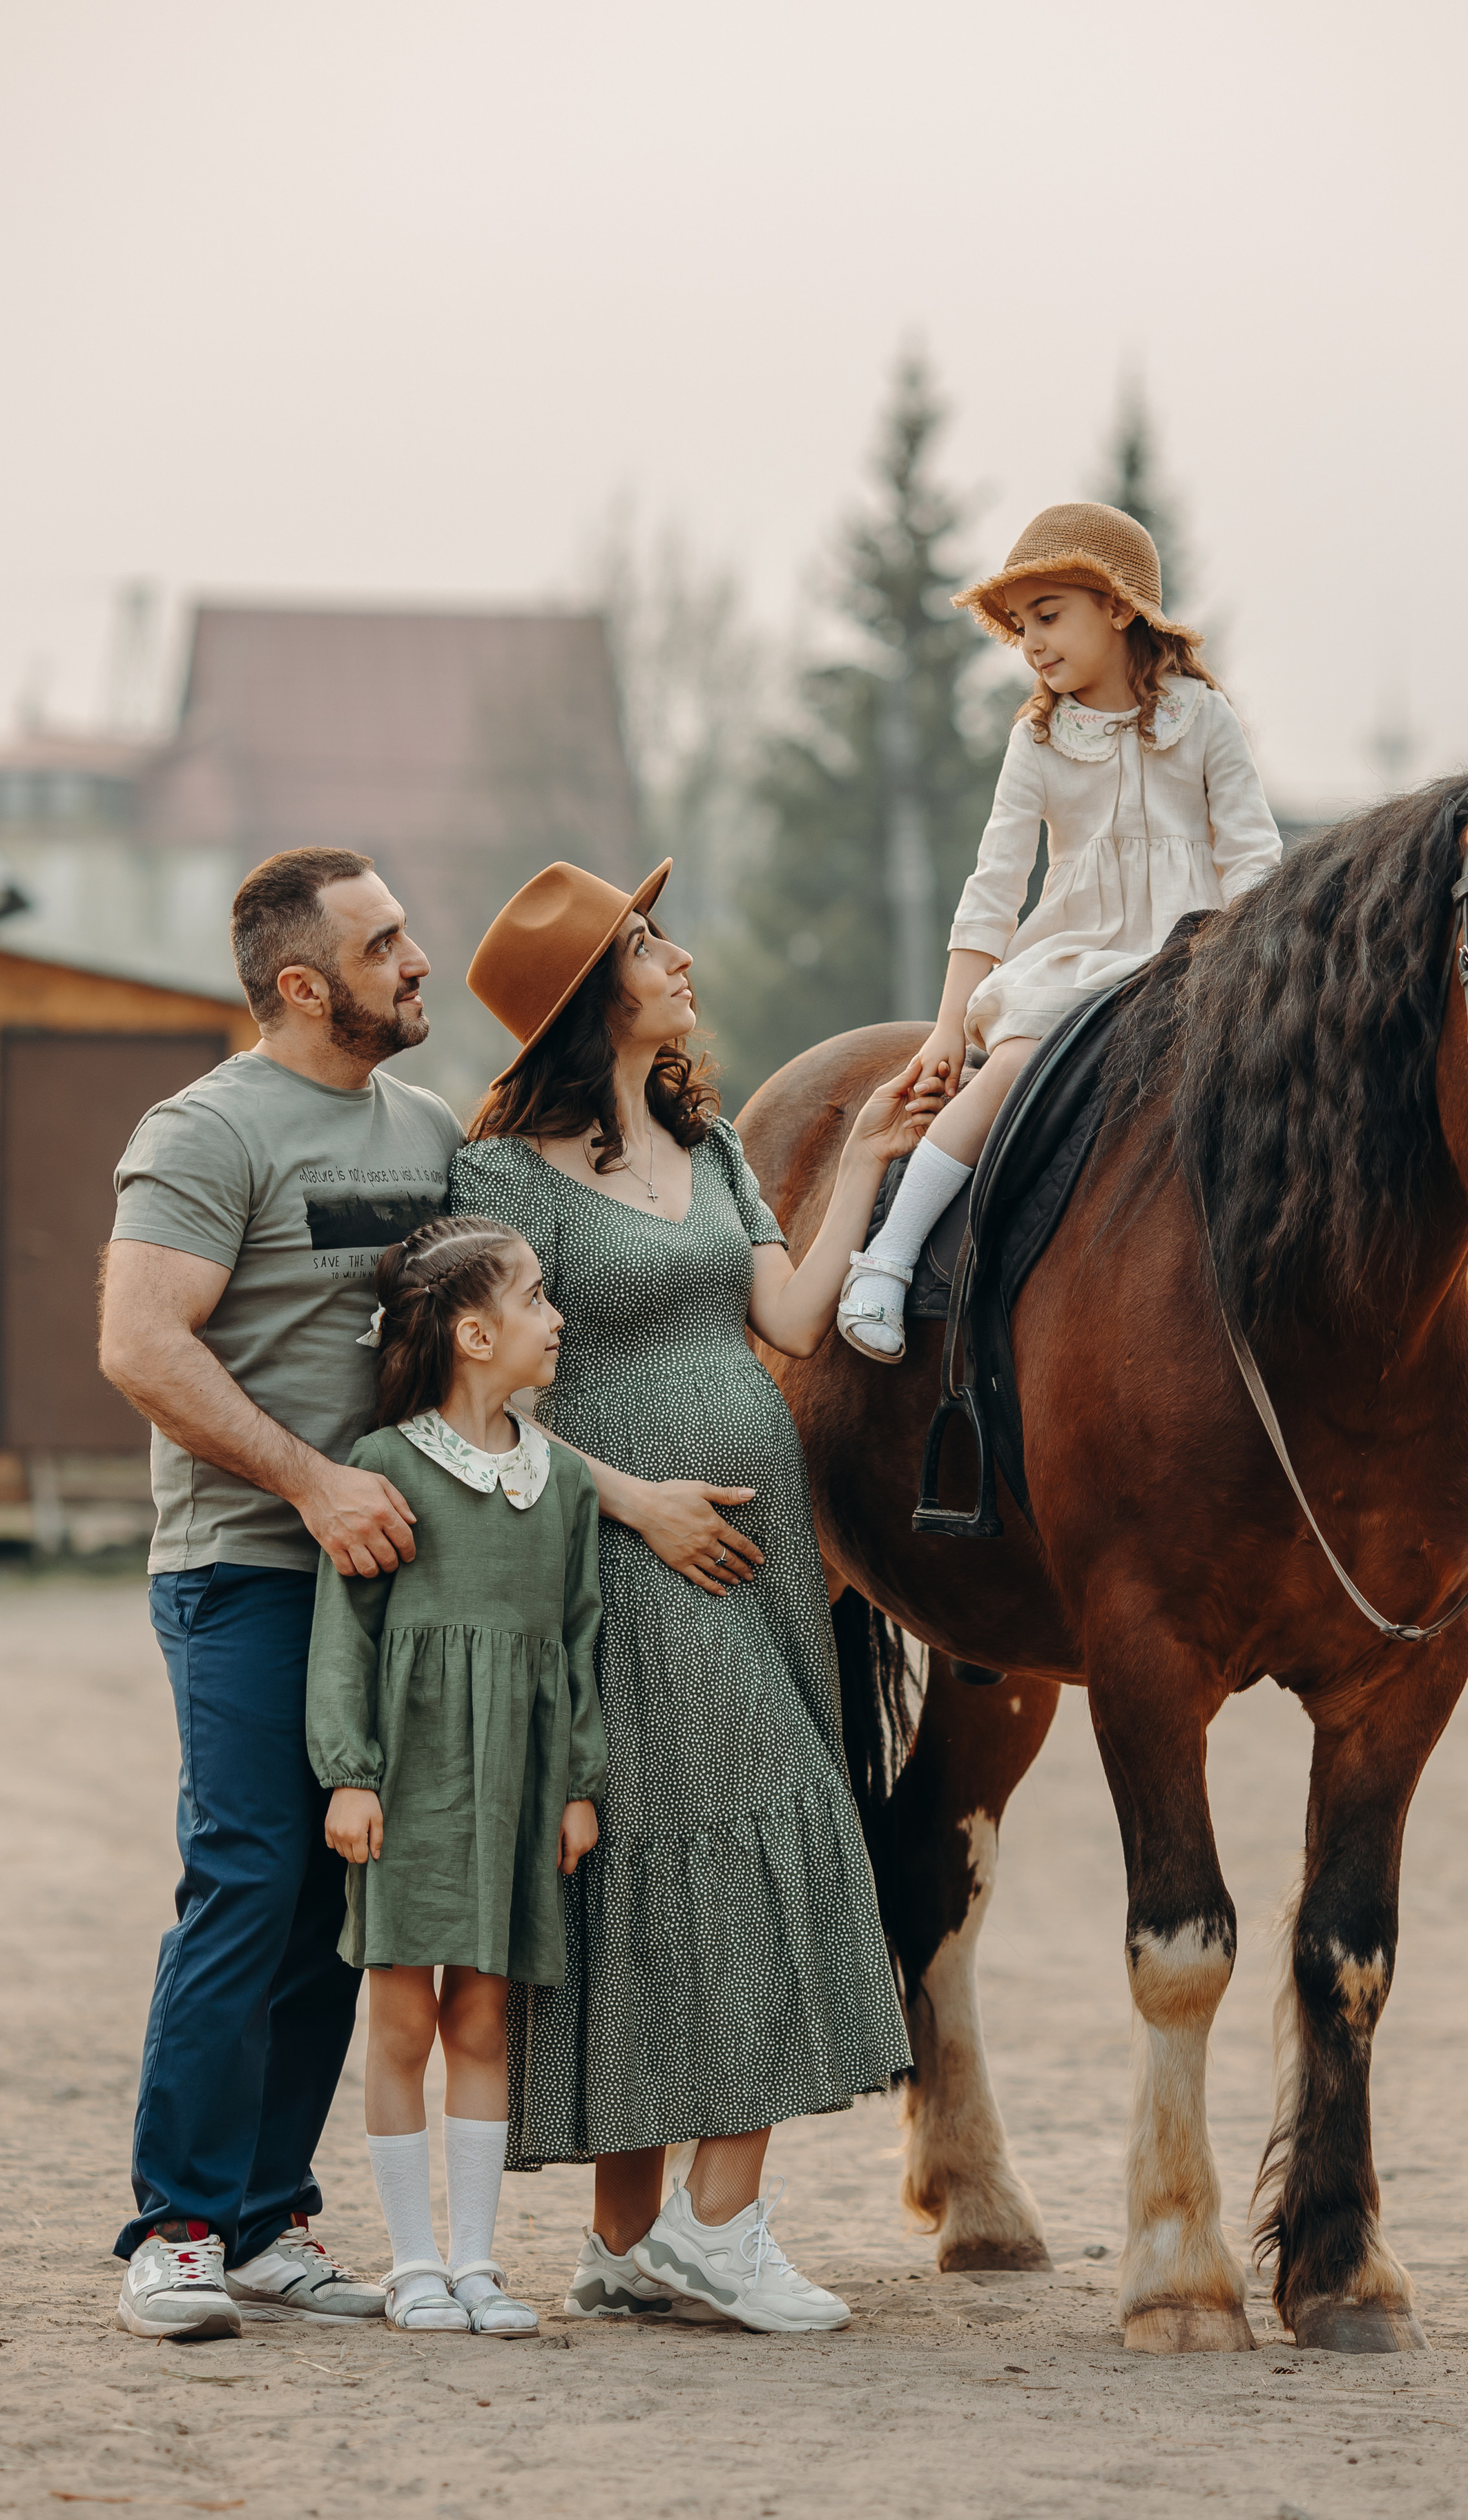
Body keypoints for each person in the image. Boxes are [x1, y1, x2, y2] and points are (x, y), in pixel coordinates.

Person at [447, 858, 925, 2336]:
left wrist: (859, 1172)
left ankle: (624, 2239)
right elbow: (466, 1405)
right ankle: (720, 2233)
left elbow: (783, 1316)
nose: (680, 956)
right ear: (591, 995)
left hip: (753, 1550)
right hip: (613, 1551)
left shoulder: (706, 1144)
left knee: (683, 1857)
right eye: (648, 944)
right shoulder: (503, 1182)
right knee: (755, 1829)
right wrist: (635, 1501)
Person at [99, 847, 463, 2341]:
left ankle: (263, 2221)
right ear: (303, 984)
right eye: (386, 943)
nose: (417, 958)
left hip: (393, 1582)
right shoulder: (204, 1130)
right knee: (248, 1878)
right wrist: (312, 1484)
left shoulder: (431, 1128)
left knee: (335, 1896)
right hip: (245, 1567)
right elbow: (140, 1342)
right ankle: (176, 2226)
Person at [838, 499, 1283, 1359]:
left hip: (1191, 954)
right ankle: (890, 1258)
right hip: (1078, 956)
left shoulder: (1203, 720)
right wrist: (943, 1024)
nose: (1032, 643)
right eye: (1018, 627)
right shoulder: (1039, 739)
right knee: (1008, 1065)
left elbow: (1253, 855)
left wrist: (1251, 971)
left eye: (1049, 616)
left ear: (1118, 607)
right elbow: (995, 885)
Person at [307, 1216, 605, 2337]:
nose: (555, 1317)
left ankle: (477, 2265)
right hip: (411, 1779)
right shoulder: (385, 1468)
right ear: (476, 1333)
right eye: (536, 1300)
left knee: (485, 2020)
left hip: (517, 1789)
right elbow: (346, 1635)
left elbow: (576, 1641)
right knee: (401, 2025)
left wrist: (578, 1783)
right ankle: (413, 2263)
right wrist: (351, 1774)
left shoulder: (561, 1483)